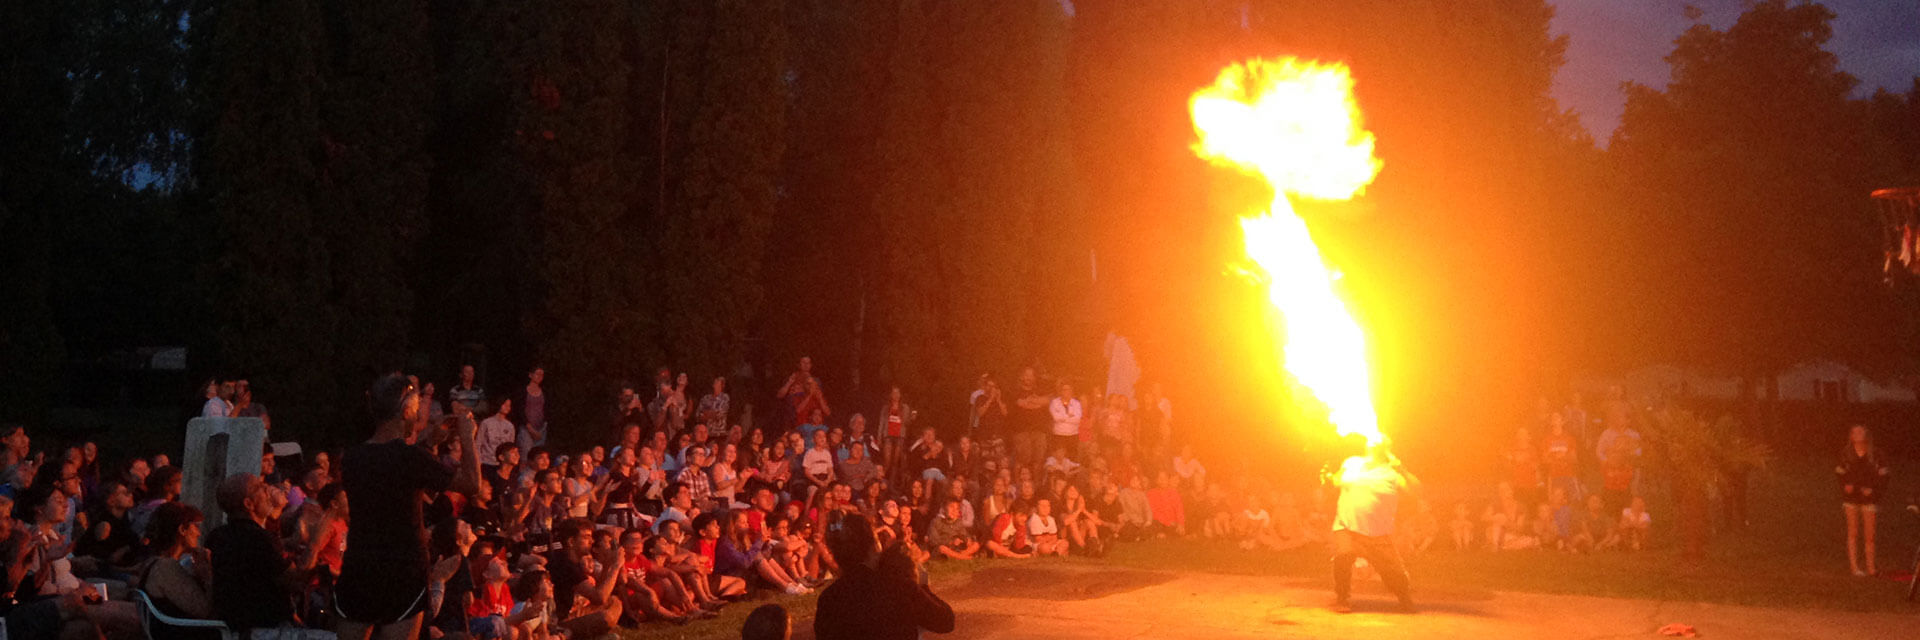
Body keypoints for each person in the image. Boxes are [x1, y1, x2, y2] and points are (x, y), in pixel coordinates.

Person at [336, 374, 479, 640]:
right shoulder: (411, 457)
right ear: (405, 412)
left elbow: (390, 471)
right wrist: (468, 437)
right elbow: (472, 484)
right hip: (403, 570)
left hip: (360, 565)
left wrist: (430, 443)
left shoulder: (353, 458)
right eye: (415, 411)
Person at [206, 473, 333, 636]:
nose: (267, 491)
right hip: (263, 629)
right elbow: (295, 583)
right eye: (260, 488)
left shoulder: (216, 536)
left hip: (233, 629)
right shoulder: (259, 538)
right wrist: (316, 546)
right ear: (248, 504)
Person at [813, 512, 954, 640]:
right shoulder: (896, 585)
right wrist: (923, 586)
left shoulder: (829, 598)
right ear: (873, 546)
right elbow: (945, 621)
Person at [1326, 437, 1419, 614]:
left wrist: (1404, 472)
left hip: (1378, 533)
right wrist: (1329, 476)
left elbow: (1416, 492)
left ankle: (1404, 597)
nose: (1373, 442)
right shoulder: (1352, 462)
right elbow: (1337, 481)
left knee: (1393, 573)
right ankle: (1342, 598)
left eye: (1379, 441)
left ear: (1385, 449)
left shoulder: (1392, 473)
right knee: (1343, 555)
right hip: (1347, 526)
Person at [1837, 424, 1890, 576]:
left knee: (1870, 534)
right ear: (1851, 436)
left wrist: (1873, 489)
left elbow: (1884, 476)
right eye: (1854, 432)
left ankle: (1871, 568)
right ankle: (1854, 568)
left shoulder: (1876, 454)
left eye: (1861, 431)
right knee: (1852, 532)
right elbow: (1840, 472)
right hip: (1851, 497)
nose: (1858, 434)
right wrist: (1845, 485)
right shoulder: (1846, 453)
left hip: (1869, 498)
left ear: (1866, 434)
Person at [1047, 382, 1083, 459]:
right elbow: (1056, 418)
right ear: (1061, 391)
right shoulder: (1054, 402)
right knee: (1059, 458)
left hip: (1073, 435)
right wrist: (1069, 416)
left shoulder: (1077, 403)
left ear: (1072, 391)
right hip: (1059, 435)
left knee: (1072, 458)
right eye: (1064, 390)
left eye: (1069, 389)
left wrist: (1062, 417)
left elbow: (1077, 419)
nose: (1067, 391)